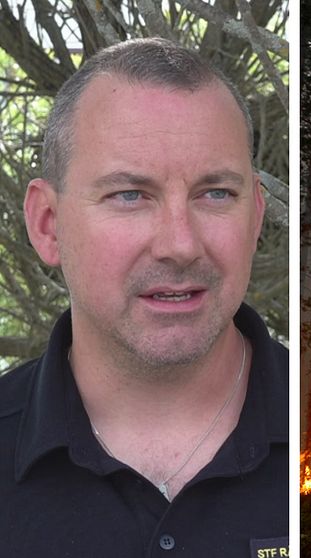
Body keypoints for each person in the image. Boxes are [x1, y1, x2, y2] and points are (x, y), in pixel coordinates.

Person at [0, 38, 288, 555]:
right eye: (129, 195)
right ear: (48, 225)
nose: (180, 244)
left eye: (215, 193)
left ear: (256, 218)